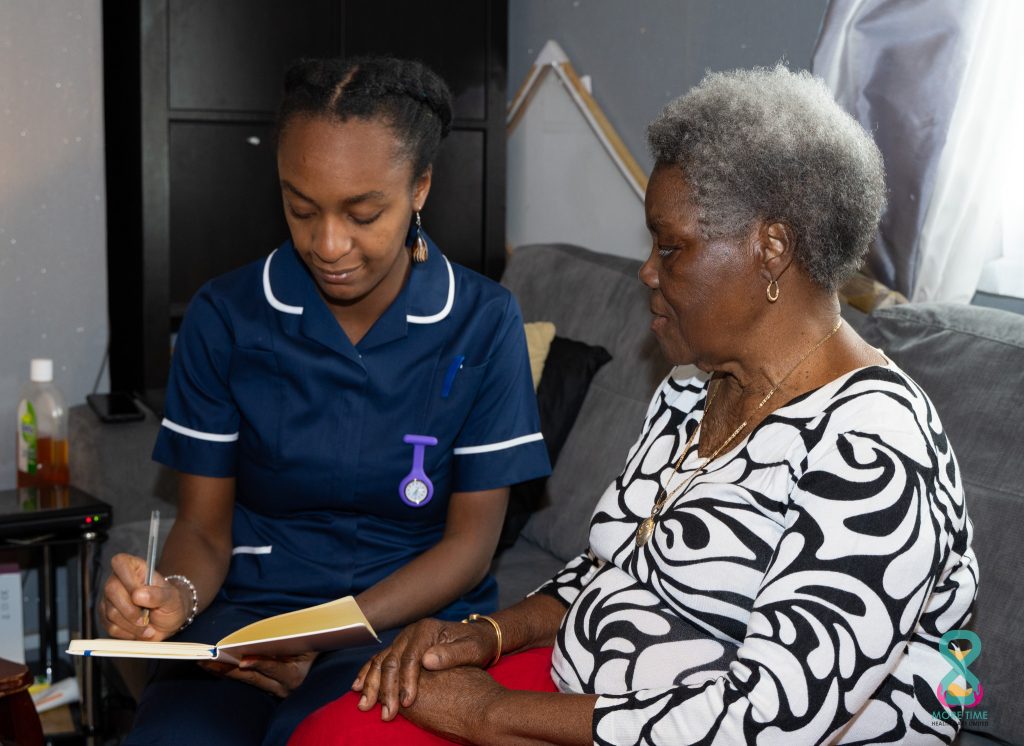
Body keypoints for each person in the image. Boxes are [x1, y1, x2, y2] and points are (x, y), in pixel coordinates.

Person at [292, 64, 979, 745]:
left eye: (671, 246)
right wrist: (486, 635)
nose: (647, 271)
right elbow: (607, 563)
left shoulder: (874, 449)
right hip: (591, 695)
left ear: (772, 247)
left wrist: (488, 713)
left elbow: (765, 723)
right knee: (338, 729)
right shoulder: (694, 385)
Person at [97, 56, 550, 745]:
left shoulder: (482, 321)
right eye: (301, 208)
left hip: (402, 631)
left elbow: (469, 546)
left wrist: (317, 636)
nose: (329, 244)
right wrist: (173, 600)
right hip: (248, 624)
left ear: (420, 187)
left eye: (364, 214)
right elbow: (204, 531)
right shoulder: (225, 317)